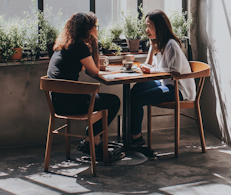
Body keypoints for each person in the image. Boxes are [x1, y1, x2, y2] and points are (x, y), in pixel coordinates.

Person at [47, 12, 120, 156]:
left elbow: (79, 67)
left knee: (103, 99)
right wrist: (95, 42)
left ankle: (92, 140)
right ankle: (91, 138)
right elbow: (94, 72)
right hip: (72, 104)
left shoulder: (64, 44)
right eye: (95, 26)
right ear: (88, 29)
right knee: (114, 101)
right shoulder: (79, 46)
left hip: (57, 102)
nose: (97, 29)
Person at [130, 9, 195, 146]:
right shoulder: (157, 43)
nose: (146, 29)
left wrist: (151, 71)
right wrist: (151, 48)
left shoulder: (172, 45)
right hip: (166, 84)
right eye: (146, 26)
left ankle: (136, 138)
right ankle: (132, 133)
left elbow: (175, 71)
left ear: (158, 27)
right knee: (135, 89)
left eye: (149, 26)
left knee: (137, 98)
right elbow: (148, 65)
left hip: (179, 90)